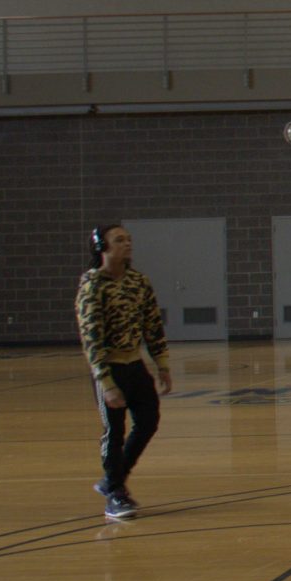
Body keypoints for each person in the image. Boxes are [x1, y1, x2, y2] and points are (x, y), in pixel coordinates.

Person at [77, 223, 172, 521]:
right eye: (119, 240)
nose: (127, 244)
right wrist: (105, 382)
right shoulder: (92, 285)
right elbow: (90, 337)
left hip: (135, 364)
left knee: (148, 421)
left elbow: (152, 325)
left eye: (129, 239)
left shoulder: (138, 282)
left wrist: (162, 364)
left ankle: (113, 479)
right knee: (114, 431)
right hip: (110, 369)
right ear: (102, 248)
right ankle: (116, 493)